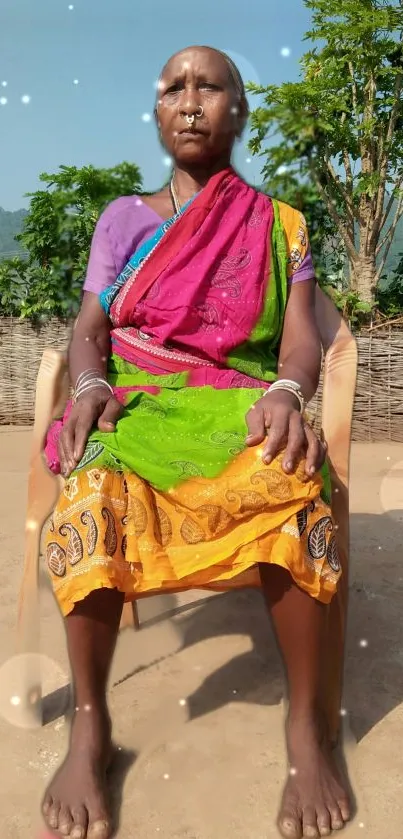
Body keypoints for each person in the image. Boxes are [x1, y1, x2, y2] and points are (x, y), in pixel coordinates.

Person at [42, 46, 351, 839]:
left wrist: (286, 391)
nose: (188, 101)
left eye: (208, 87)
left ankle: (305, 733)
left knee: (296, 499)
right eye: (173, 88)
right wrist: (88, 385)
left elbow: (298, 343)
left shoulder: (280, 226)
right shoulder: (122, 219)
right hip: (137, 407)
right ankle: (89, 723)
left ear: (237, 110)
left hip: (243, 406)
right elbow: (90, 328)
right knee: (90, 499)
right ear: (155, 113)